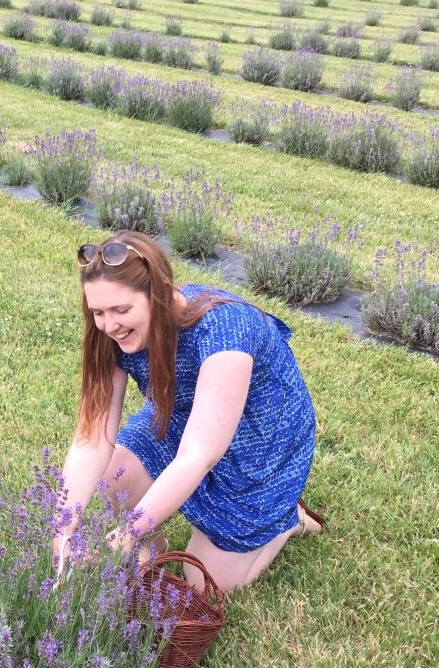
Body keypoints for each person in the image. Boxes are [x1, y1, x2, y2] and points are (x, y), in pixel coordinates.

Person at [54, 232, 323, 593]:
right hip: (183, 411)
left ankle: (285, 522)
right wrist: (64, 527)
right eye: (98, 312)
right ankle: (152, 544)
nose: (109, 325)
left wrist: (127, 531)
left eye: (122, 310)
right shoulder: (110, 336)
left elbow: (197, 457)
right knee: (112, 481)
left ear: (159, 293)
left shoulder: (225, 331)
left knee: (205, 582)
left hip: (263, 436)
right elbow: (93, 438)